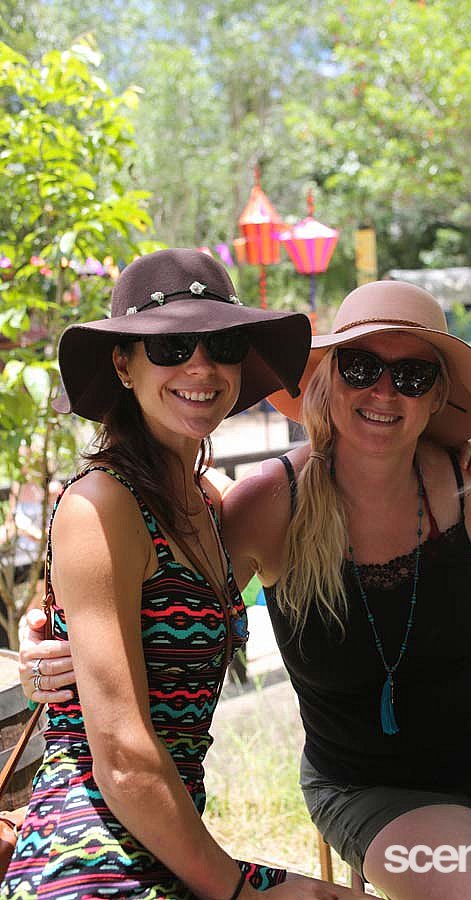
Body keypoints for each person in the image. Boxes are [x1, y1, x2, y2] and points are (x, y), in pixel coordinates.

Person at [23, 282, 471, 899]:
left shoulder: (465, 487)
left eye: (412, 376)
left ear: (436, 396)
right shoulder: (266, 506)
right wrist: (45, 641)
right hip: (375, 786)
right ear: (327, 378)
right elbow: (145, 589)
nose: (384, 392)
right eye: (361, 367)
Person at [3, 248, 368, 900]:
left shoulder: (206, 504)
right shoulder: (100, 505)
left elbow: (350, 448)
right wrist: (236, 892)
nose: (201, 366)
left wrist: (447, 450)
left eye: (222, 343)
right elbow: (121, 757)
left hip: (170, 841)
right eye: (170, 347)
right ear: (124, 365)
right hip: (89, 855)